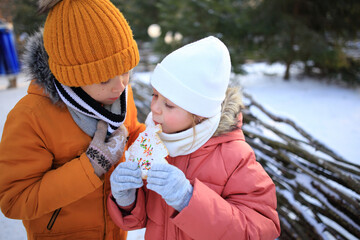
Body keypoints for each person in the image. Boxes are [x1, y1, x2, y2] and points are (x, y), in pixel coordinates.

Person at [108, 36, 281, 239]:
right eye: (155, 95)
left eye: (169, 105)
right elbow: (145, 216)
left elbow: (260, 230)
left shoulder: (235, 158)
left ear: (198, 113)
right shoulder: (156, 144)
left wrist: (188, 199)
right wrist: (127, 198)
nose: (154, 108)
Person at [0, 0, 145, 239]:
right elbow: (14, 199)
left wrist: (153, 144)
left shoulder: (120, 97)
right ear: (73, 77)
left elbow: (134, 131)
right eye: (103, 79)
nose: (120, 86)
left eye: (124, 71)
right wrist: (91, 166)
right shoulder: (31, 117)